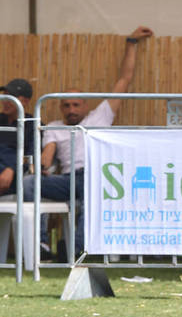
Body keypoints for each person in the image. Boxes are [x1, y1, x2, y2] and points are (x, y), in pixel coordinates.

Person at [24, 25, 155, 259]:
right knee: (29, 184)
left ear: (85, 105)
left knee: (90, 200)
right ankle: (42, 246)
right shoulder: (54, 127)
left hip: (98, 175)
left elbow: (124, 80)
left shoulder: (100, 116)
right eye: (66, 105)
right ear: (60, 107)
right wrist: (41, 168)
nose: (71, 110)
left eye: (76, 104)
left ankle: (75, 252)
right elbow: (48, 153)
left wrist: (131, 43)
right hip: (68, 179)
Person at [0, 78, 35, 195]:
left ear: (25, 101)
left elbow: (31, 157)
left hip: (15, 176)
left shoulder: (33, 125)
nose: (6, 101)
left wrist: (11, 168)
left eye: (11, 97)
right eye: (5, 96)